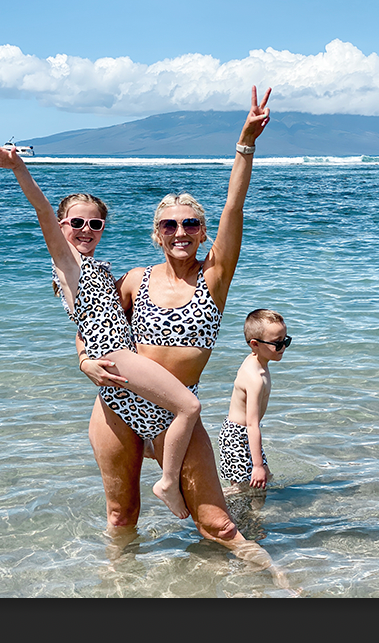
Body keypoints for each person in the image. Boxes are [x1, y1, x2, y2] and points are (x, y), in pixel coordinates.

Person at [73, 86, 275, 553]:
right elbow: (93, 323)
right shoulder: (134, 279)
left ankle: (279, 582)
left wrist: (245, 145)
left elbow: (233, 207)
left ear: (203, 233)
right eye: (169, 225)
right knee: (122, 515)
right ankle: (119, 585)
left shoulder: (214, 277)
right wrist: (84, 361)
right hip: (118, 404)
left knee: (219, 525)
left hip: (175, 414)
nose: (180, 231)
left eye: (190, 224)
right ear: (157, 235)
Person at [0, 142, 205, 522]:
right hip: (118, 358)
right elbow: (43, 213)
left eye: (95, 223)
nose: (86, 229)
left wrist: (82, 358)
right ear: (63, 227)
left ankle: (164, 473)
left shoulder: (95, 267)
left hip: (120, 360)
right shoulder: (69, 264)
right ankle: (166, 483)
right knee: (189, 406)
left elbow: (98, 319)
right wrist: (19, 170)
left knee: (160, 425)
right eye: (76, 223)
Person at [218, 309, 290, 494]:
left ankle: (256, 519)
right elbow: (251, 424)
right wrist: (257, 465)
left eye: (285, 340)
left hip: (241, 434)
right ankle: (210, 497)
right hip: (237, 436)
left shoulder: (257, 360)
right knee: (244, 488)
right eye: (277, 343)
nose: (283, 347)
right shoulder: (255, 378)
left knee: (264, 480)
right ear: (255, 344)